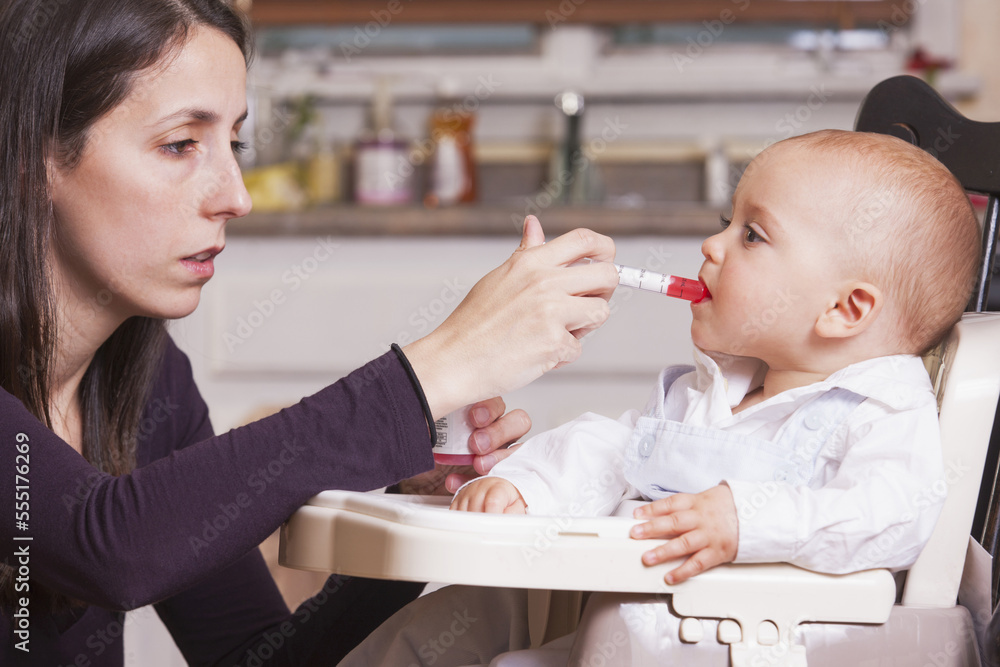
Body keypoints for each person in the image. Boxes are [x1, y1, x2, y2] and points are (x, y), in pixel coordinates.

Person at [0, 1, 620, 664]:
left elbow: (253, 656)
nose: (234, 194)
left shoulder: (150, 382)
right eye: (180, 143)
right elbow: (111, 544)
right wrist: (433, 370)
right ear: (34, 160)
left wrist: (404, 514)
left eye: (233, 143)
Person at [340, 129, 983, 666]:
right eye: (724, 224)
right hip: (620, 610)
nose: (712, 245)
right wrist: (526, 487)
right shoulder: (717, 391)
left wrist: (745, 522)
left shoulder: (878, 411)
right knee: (449, 617)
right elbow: (614, 449)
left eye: (751, 235)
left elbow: (892, 513)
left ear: (845, 309)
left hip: (731, 637)